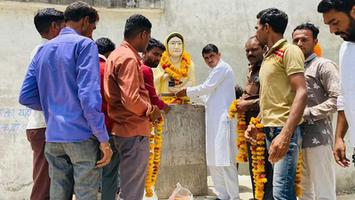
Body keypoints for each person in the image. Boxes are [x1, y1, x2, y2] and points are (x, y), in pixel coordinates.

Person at [19, 2, 112, 199]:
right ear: (86, 21)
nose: (92, 34)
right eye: (93, 28)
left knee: (58, 193)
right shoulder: (85, 45)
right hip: (81, 136)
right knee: (86, 193)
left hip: (53, 137)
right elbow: (88, 96)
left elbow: (26, 96)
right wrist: (103, 139)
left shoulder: (43, 50)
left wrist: (53, 106)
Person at [246, 8, 307, 200]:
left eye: (257, 27)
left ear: (266, 27)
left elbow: (302, 91)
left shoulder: (290, 51)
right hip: (270, 130)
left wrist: (285, 135)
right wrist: (255, 123)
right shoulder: (269, 56)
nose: (256, 32)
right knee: (281, 190)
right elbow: (270, 97)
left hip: (283, 130)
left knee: (281, 192)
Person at [104, 14, 161, 200]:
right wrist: (150, 110)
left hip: (120, 129)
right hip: (132, 130)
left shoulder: (115, 54)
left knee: (125, 188)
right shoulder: (129, 57)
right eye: (149, 37)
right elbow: (131, 99)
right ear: (143, 34)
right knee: (132, 192)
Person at [176, 44, 240, 200]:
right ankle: (222, 195)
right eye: (206, 58)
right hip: (212, 122)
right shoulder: (214, 72)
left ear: (219, 54)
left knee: (225, 161)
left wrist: (187, 91)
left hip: (223, 121)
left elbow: (206, 87)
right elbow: (207, 95)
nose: (210, 60)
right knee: (213, 160)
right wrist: (189, 98)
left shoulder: (222, 68)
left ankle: (233, 197)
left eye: (212, 56)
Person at [292, 22, 339, 200]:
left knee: (324, 191)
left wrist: (307, 113)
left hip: (318, 137)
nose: (299, 43)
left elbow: (337, 99)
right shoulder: (292, 69)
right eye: (295, 40)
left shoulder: (324, 65)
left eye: (304, 39)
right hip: (297, 137)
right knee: (303, 192)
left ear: (315, 42)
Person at [26, 8, 64, 200]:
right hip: (44, 126)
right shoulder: (46, 51)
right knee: (43, 186)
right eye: (64, 26)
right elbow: (30, 94)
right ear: (54, 27)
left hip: (43, 125)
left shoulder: (42, 49)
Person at [317, 0, 355, 168]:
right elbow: (345, 96)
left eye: (335, 22)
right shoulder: (345, 49)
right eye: (329, 25)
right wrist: (339, 136)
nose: (332, 31)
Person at [238, 36, 273, 200]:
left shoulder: (268, 68)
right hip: (250, 125)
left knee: (265, 166)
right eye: (247, 50)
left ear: (264, 49)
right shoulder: (252, 68)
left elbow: (271, 98)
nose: (250, 53)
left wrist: (248, 104)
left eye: (254, 50)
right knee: (255, 166)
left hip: (264, 123)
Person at [95, 37, 120, 200]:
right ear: (110, 53)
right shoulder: (107, 69)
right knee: (110, 173)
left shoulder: (80, 67)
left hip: (80, 131)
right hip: (107, 128)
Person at [153, 32, 196, 104]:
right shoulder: (160, 62)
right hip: (163, 102)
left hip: (183, 102)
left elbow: (192, 81)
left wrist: (181, 90)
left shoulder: (189, 64)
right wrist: (164, 76)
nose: (176, 47)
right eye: (173, 43)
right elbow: (153, 81)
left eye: (179, 43)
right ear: (167, 45)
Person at [142, 38, 170, 113]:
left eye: (160, 56)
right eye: (155, 54)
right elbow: (153, 98)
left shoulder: (137, 65)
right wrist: (165, 107)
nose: (158, 58)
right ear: (144, 52)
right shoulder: (145, 70)